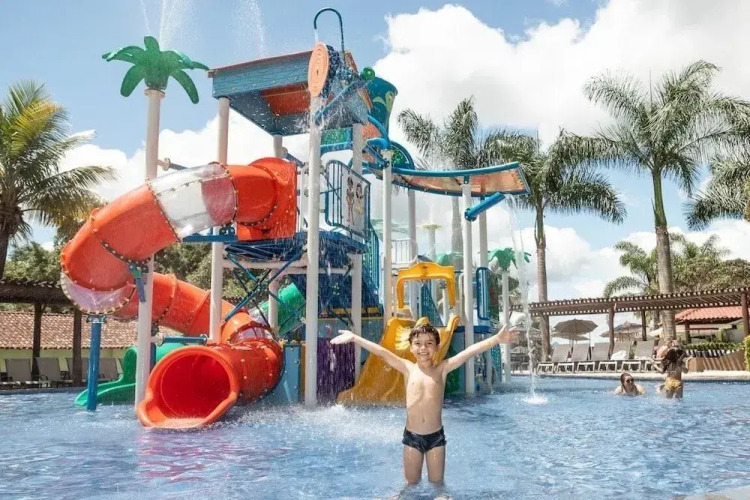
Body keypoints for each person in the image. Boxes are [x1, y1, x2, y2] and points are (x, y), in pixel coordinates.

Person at [331, 320, 517, 486]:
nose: (423, 348)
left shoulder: (442, 369)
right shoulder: (407, 368)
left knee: (437, 485)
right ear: (411, 347)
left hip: (435, 438)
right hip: (412, 438)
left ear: (437, 347)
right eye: (418, 344)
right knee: (411, 484)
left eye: (429, 343)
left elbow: (469, 352)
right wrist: (355, 338)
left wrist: (496, 339)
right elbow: (382, 352)